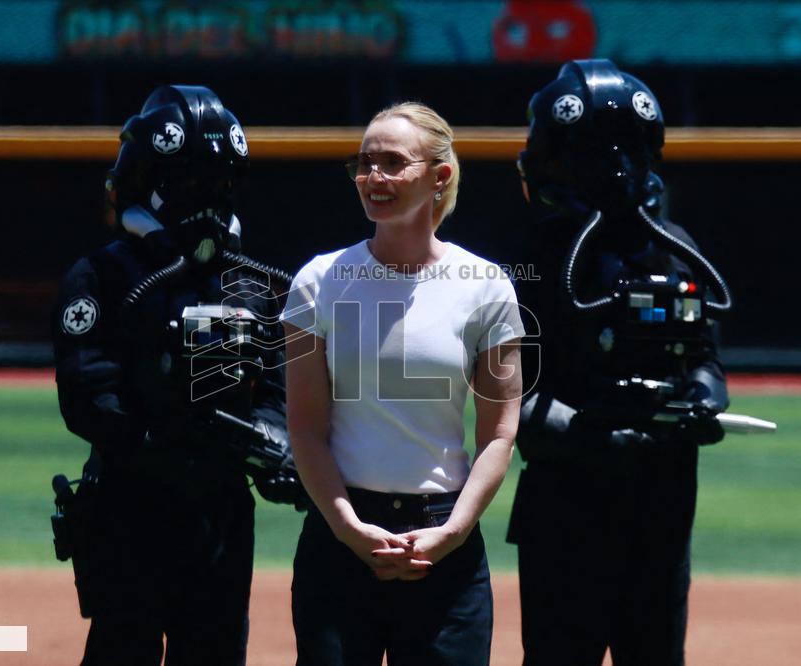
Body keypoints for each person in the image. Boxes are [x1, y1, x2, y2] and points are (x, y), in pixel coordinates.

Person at [52, 85, 295, 666]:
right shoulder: (102, 275)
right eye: (191, 184)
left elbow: (277, 391)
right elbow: (87, 393)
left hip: (219, 510)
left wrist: (267, 444)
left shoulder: (250, 282)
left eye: (214, 185)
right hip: (130, 502)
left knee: (214, 650)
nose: (205, 199)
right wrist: (159, 442)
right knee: (123, 647)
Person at [281, 102, 525, 666]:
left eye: (393, 163)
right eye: (365, 163)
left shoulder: (486, 285)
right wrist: (347, 527)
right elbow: (306, 427)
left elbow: (498, 434)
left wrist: (454, 532)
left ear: (439, 177)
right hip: (339, 542)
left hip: (445, 542)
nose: (373, 178)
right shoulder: (319, 281)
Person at [506, 59, 732, 666]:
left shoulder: (673, 244)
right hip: (567, 505)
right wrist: (592, 434)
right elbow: (505, 395)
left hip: (659, 504)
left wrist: (703, 401)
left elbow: (707, 359)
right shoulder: (531, 259)